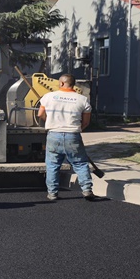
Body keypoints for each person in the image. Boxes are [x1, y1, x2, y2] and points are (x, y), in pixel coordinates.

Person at [37, 73, 97, 201]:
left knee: (52, 165)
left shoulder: (48, 97)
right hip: (73, 135)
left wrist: (51, 122)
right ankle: (87, 190)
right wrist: (77, 129)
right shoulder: (82, 99)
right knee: (80, 163)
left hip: (54, 135)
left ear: (62, 83)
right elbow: (86, 122)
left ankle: (52, 193)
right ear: (73, 84)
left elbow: (40, 114)